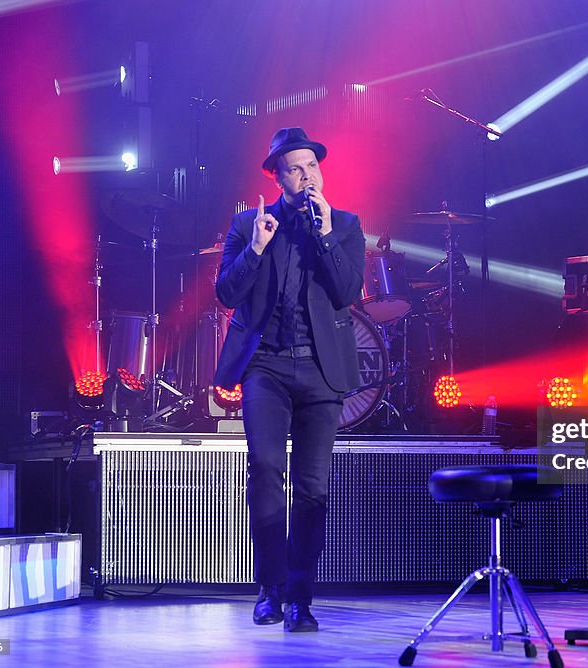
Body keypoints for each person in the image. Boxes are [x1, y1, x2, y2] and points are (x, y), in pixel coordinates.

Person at [213, 127, 365, 632]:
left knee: (313, 486)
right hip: (267, 366)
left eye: (313, 167)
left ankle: (301, 596)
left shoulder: (343, 224)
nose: (307, 176)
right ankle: (270, 589)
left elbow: (346, 292)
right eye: (296, 169)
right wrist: (255, 249)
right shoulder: (248, 224)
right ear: (277, 177)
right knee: (264, 471)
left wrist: (324, 237)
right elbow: (227, 294)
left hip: (323, 370)